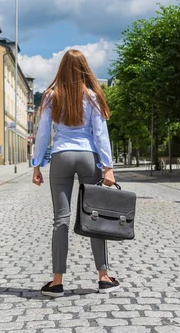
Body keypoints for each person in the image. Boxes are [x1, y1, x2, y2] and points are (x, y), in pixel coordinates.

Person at [31, 49, 118, 298]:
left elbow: (43, 134)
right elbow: (101, 134)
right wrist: (108, 167)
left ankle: (57, 282)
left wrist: (36, 164)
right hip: (88, 157)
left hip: (61, 157)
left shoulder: (50, 96)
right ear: (84, 69)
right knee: (94, 216)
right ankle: (104, 277)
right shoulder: (92, 97)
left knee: (61, 219)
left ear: (61, 69)